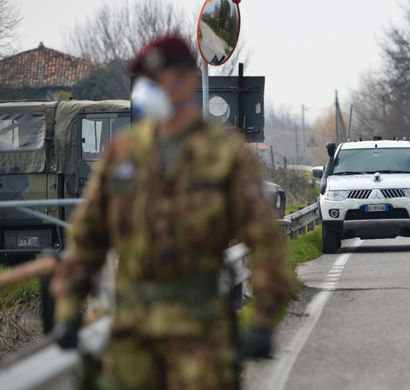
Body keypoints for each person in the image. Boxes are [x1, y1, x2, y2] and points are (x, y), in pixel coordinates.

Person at [50, 35, 293, 389]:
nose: (151, 89)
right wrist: (69, 310)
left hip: (200, 337)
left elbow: (264, 239)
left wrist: (263, 319)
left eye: (159, 79)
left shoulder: (223, 156)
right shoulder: (123, 154)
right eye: (147, 82)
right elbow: (87, 236)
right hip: (132, 338)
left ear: (186, 81)